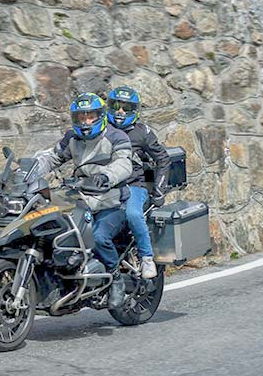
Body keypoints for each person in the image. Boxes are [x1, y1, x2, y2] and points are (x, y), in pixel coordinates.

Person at [33, 92, 137, 310]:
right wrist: (26, 171)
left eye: (90, 116)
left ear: (100, 116)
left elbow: (124, 164)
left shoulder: (117, 137)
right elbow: (52, 157)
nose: (86, 121)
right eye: (81, 117)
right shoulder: (73, 138)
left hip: (111, 200)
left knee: (98, 237)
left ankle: (116, 279)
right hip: (80, 197)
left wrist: (105, 176)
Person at [106, 85, 170, 280]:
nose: (120, 111)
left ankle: (146, 257)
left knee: (133, 214)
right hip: (105, 188)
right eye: (116, 105)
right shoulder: (99, 130)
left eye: (126, 107)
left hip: (134, 186)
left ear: (135, 110)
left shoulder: (143, 132)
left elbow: (163, 159)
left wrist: (159, 190)